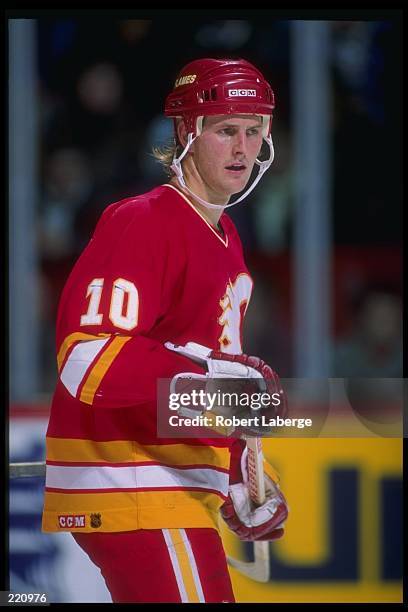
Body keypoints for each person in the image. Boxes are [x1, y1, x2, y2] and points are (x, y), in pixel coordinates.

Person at [41, 58, 289, 603]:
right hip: (134, 486)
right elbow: (87, 358)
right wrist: (209, 374)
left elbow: (201, 387)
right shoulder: (145, 220)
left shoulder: (225, 237)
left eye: (254, 131)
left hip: (174, 491)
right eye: (226, 130)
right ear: (187, 133)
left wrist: (237, 473)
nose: (243, 149)